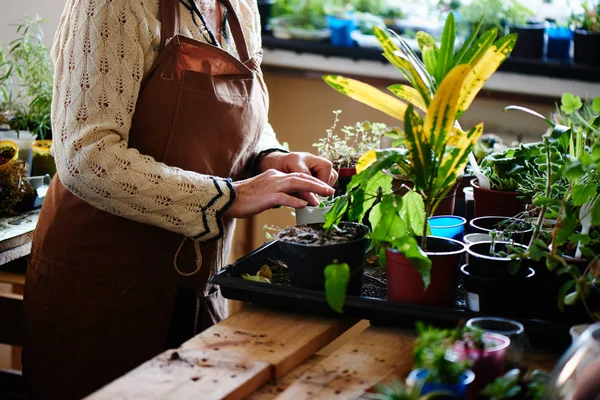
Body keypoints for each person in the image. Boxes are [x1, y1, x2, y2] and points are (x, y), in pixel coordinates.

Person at [22, 0, 337, 398]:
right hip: (99, 290)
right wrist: (226, 197)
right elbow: (87, 156)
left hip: (196, 286)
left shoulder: (239, 6)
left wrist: (269, 157)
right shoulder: (111, 6)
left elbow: (242, 117)